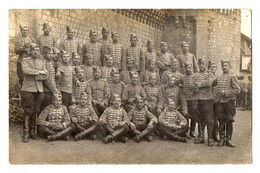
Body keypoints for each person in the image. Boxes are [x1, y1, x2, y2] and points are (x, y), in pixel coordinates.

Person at [21, 43, 48, 142]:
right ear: (30, 51)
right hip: (28, 89)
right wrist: (39, 72)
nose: (36, 52)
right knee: (28, 111)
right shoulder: (25, 61)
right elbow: (26, 71)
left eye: (37, 50)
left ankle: (33, 132)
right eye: (34, 50)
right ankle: (26, 133)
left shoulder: (42, 62)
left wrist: (37, 75)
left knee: (36, 110)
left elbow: (46, 75)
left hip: (39, 90)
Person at [213, 60, 240, 147]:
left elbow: (237, 90)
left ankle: (228, 139)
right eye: (223, 66)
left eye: (226, 65)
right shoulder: (219, 77)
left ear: (229, 66)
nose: (224, 67)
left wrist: (226, 92)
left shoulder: (232, 77)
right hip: (220, 102)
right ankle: (222, 139)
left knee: (229, 120)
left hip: (229, 102)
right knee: (221, 120)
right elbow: (214, 86)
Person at [193, 58, 215, 146]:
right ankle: (201, 136)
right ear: (198, 65)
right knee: (199, 118)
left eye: (203, 64)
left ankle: (210, 138)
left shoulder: (210, 74)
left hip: (207, 99)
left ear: (206, 65)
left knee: (209, 119)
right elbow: (191, 84)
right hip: (198, 99)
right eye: (200, 64)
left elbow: (210, 82)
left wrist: (200, 84)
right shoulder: (195, 75)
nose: (201, 66)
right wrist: (195, 86)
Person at [180, 61, 199, 138]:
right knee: (186, 115)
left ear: (191, 68)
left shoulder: (195, 76)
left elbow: (198, 88)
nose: (188, 69)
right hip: (185, 99)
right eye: (186, 67)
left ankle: (192, 131)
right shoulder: (183, 77)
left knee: (194, 116)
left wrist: (195, 88)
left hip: (193, 99)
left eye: (189, 67)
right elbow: (180, 84)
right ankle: (186, 131)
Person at [41, 46, 59, 111]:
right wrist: (54, 90)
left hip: (50, 90)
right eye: (49, 54)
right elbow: (48, 79)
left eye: (52, 53)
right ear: (44, 54)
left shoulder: (50, 63)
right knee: (45, 110)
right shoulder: (44, 63)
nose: (51, 55)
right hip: (46, 90)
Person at [208, 61, 220, 141]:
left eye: (214, 67)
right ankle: (209, 136)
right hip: (208, 100)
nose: (212, 69)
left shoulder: (218, 77)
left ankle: (215, 135)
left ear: (216, 68)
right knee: (209, 118)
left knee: (216, 118)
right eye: (211, 67)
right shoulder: (207, 77)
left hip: (216, 100)